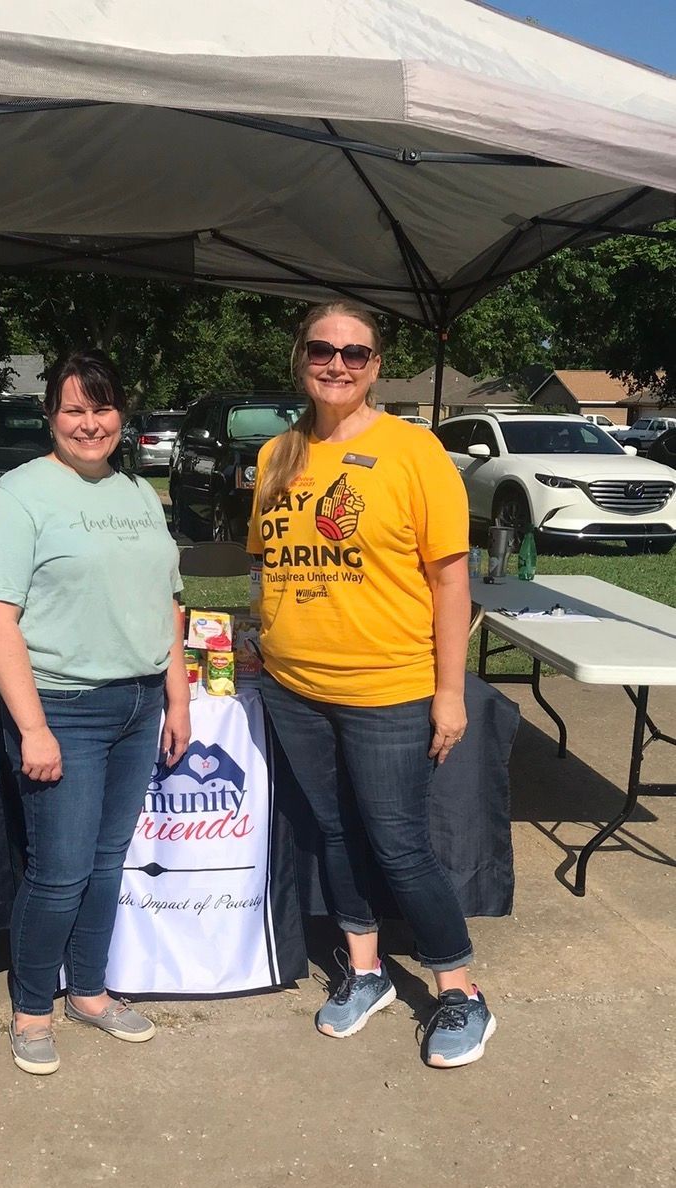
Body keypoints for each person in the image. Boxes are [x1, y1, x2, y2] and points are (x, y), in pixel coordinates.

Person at [247, 301, 495, 1068]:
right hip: (293, 685)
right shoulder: (276, 455)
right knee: (332, 831)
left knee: (397, 845)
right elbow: (269, 559)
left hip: (387, 686)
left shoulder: (414, 452)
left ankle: (459, 990)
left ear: (376, 367)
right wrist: (262, 638)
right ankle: (365, 972)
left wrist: (447, 692)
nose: (337, 365)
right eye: (322, 349)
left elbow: (451, 581)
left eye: (355, 354)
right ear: (300, 357)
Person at [0, 348, 190, 1076]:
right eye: (73, 408)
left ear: (120, 416)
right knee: (60, 870)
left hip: (136, 702)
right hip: (61, 705)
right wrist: (33, 727)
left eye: (101, 408)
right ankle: (33, 1009)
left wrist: (176, 696)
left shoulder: (137, 494)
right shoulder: (19, 495)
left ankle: (89, 993)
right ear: (50, 416)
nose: (89, 423)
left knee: (104, 864)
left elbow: (169, 603)